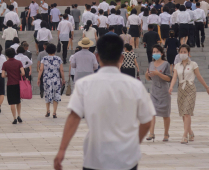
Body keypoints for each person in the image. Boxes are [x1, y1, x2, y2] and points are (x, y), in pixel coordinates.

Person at [54, 34, 155, 170]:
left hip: (95, 158)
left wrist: (61, 150)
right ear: (121, 58)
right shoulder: (135, 85)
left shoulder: (84, 84)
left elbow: (74, 117)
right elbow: (147, 121)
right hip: (127, 159)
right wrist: (134, 143)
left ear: (97, 56)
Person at [168, 44, 209, 143]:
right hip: (181, 89)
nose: (183, 54)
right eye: (181, 52)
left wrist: (207, 88)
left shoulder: (193, 64)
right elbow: (174, 77)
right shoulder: (177, 66)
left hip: (190, 89)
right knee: (183, 113)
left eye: (185, 52)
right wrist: (171, 87)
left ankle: (184, 135)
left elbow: (199, 76)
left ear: (189, 53)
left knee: (187, 112)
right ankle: (190, 132)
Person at [145, 44, 172, 142]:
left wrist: (158, 73)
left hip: (163, 91)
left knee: (165, 114)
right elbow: (149, 78)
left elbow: (169, 78)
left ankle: (166, 134)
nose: (155, 53)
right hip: (154, 91)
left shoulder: (166, 64)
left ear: (161, 53)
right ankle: (151, 133)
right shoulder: (151, 64)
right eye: (153, 52)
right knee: (152, 112)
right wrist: (146, 75)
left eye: (157, 52)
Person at [38, 43, 65, 118]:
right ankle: (54, 112)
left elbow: (41, 69)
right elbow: (62, 70)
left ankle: (47, 111)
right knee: (56, 94)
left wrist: (38, 78)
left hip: (46, 79)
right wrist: (63, 79)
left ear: (47, 50)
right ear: (55, 50)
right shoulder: (58, 59)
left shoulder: (44, 58)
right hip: (56, 79)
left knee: (47, 94)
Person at [1, 47, 25, 124]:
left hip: (10, 84)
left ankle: (14, 118)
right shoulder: (18, 62)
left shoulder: (5, 63)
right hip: (18, 84)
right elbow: (23, 73)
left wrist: (8, 75)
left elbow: (2, 75)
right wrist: (18, 75)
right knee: (18, 101)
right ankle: (19, 116)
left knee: (12, 102)